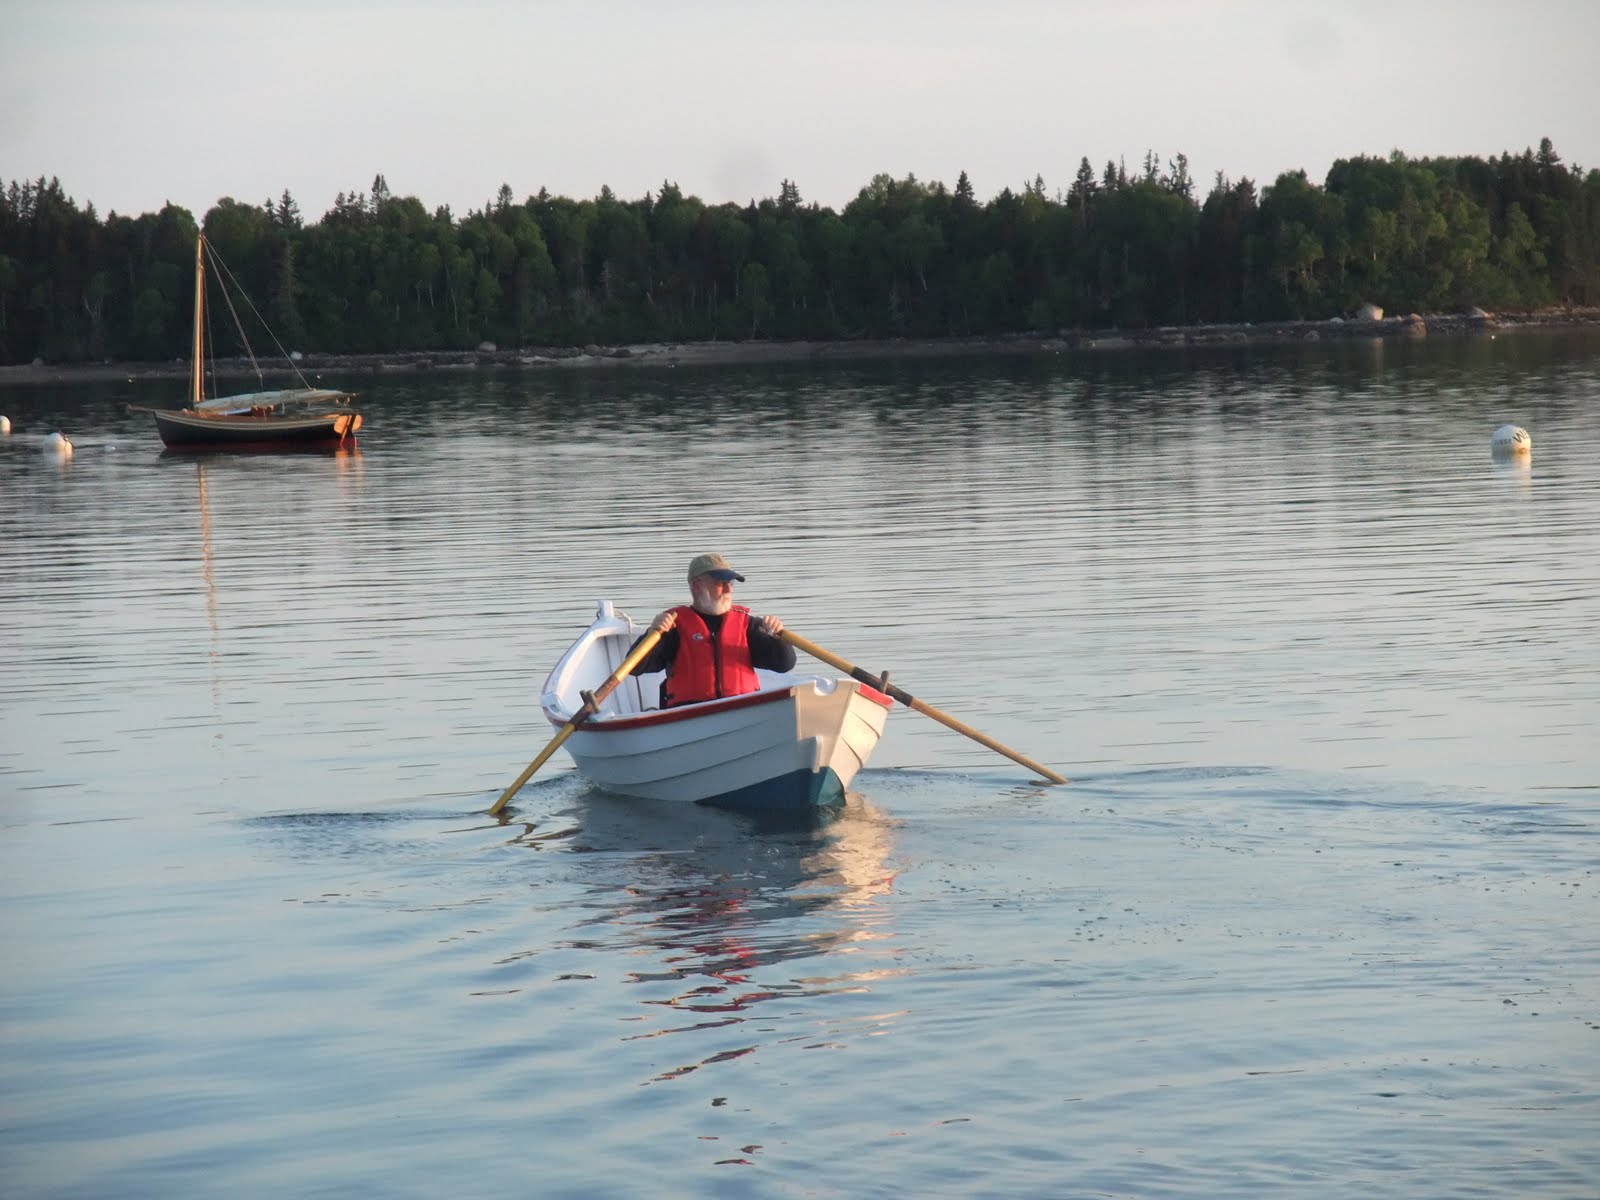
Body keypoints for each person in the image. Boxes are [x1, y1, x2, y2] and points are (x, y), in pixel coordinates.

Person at [627, 553, 796, 707]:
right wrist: (653, 633)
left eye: (729, 583)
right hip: (689, 712)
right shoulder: (673, 627)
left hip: (743, 708)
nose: (728, 590)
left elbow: (784, 665)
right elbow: (635, 667)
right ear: (696, 586)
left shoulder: (748, 625)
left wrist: (778, 638)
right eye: (719, 583)